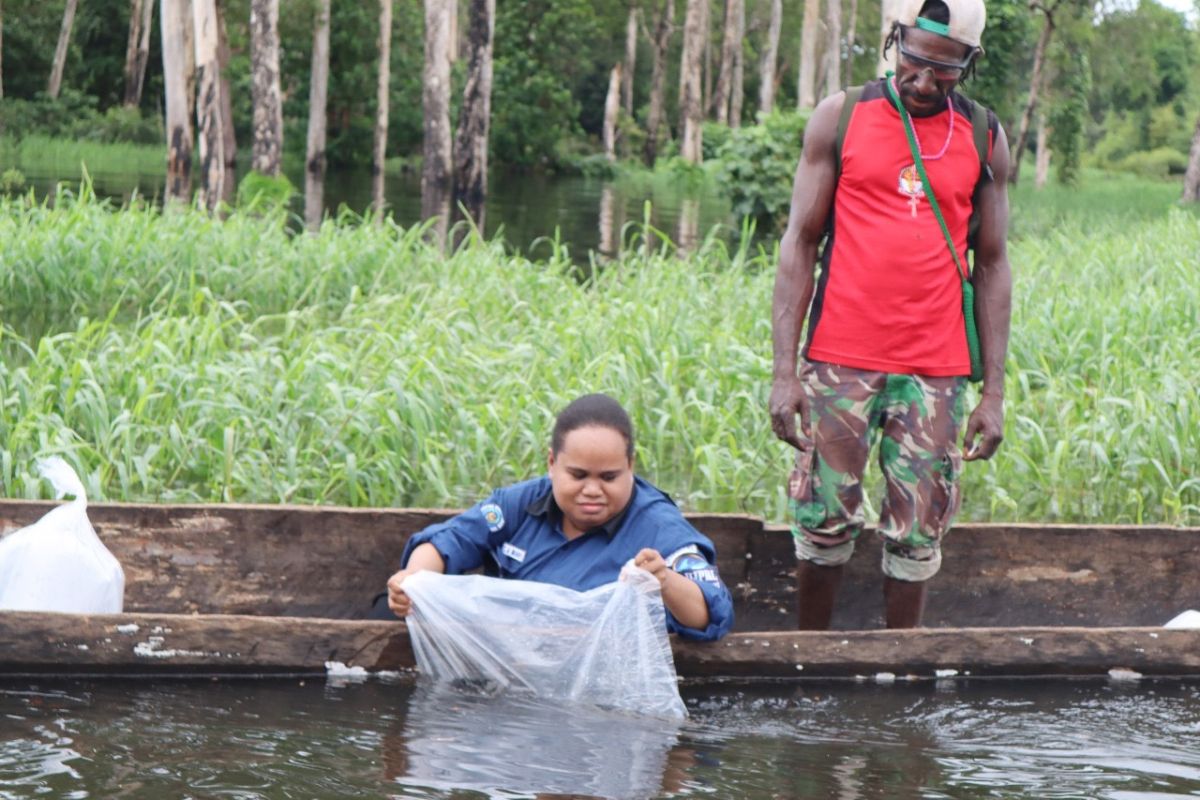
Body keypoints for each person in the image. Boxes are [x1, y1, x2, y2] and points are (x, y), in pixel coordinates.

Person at [768, 0, 1012, 629]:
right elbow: (799, 243)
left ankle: (900, 679)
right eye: (915, 61)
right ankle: (809, 662)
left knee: (919, 530)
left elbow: (992, 265)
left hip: (936, 371)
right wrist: (784, 374)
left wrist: (994, 393)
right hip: (840, 361)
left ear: (969, 63)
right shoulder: (842, 115)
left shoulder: (984, 134)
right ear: (893, 41)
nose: (926, 80)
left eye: (946, 69)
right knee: (823, 519)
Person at [379, 393, 734, 641]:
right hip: (506, 669)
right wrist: (411, 581)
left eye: (609, 477)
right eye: (578, 476)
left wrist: (666, 581)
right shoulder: (524, 503)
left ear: (630, 466)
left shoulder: (658, 526)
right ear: (552, 464)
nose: (592, 490)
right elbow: (450, 540)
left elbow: (711, 615)